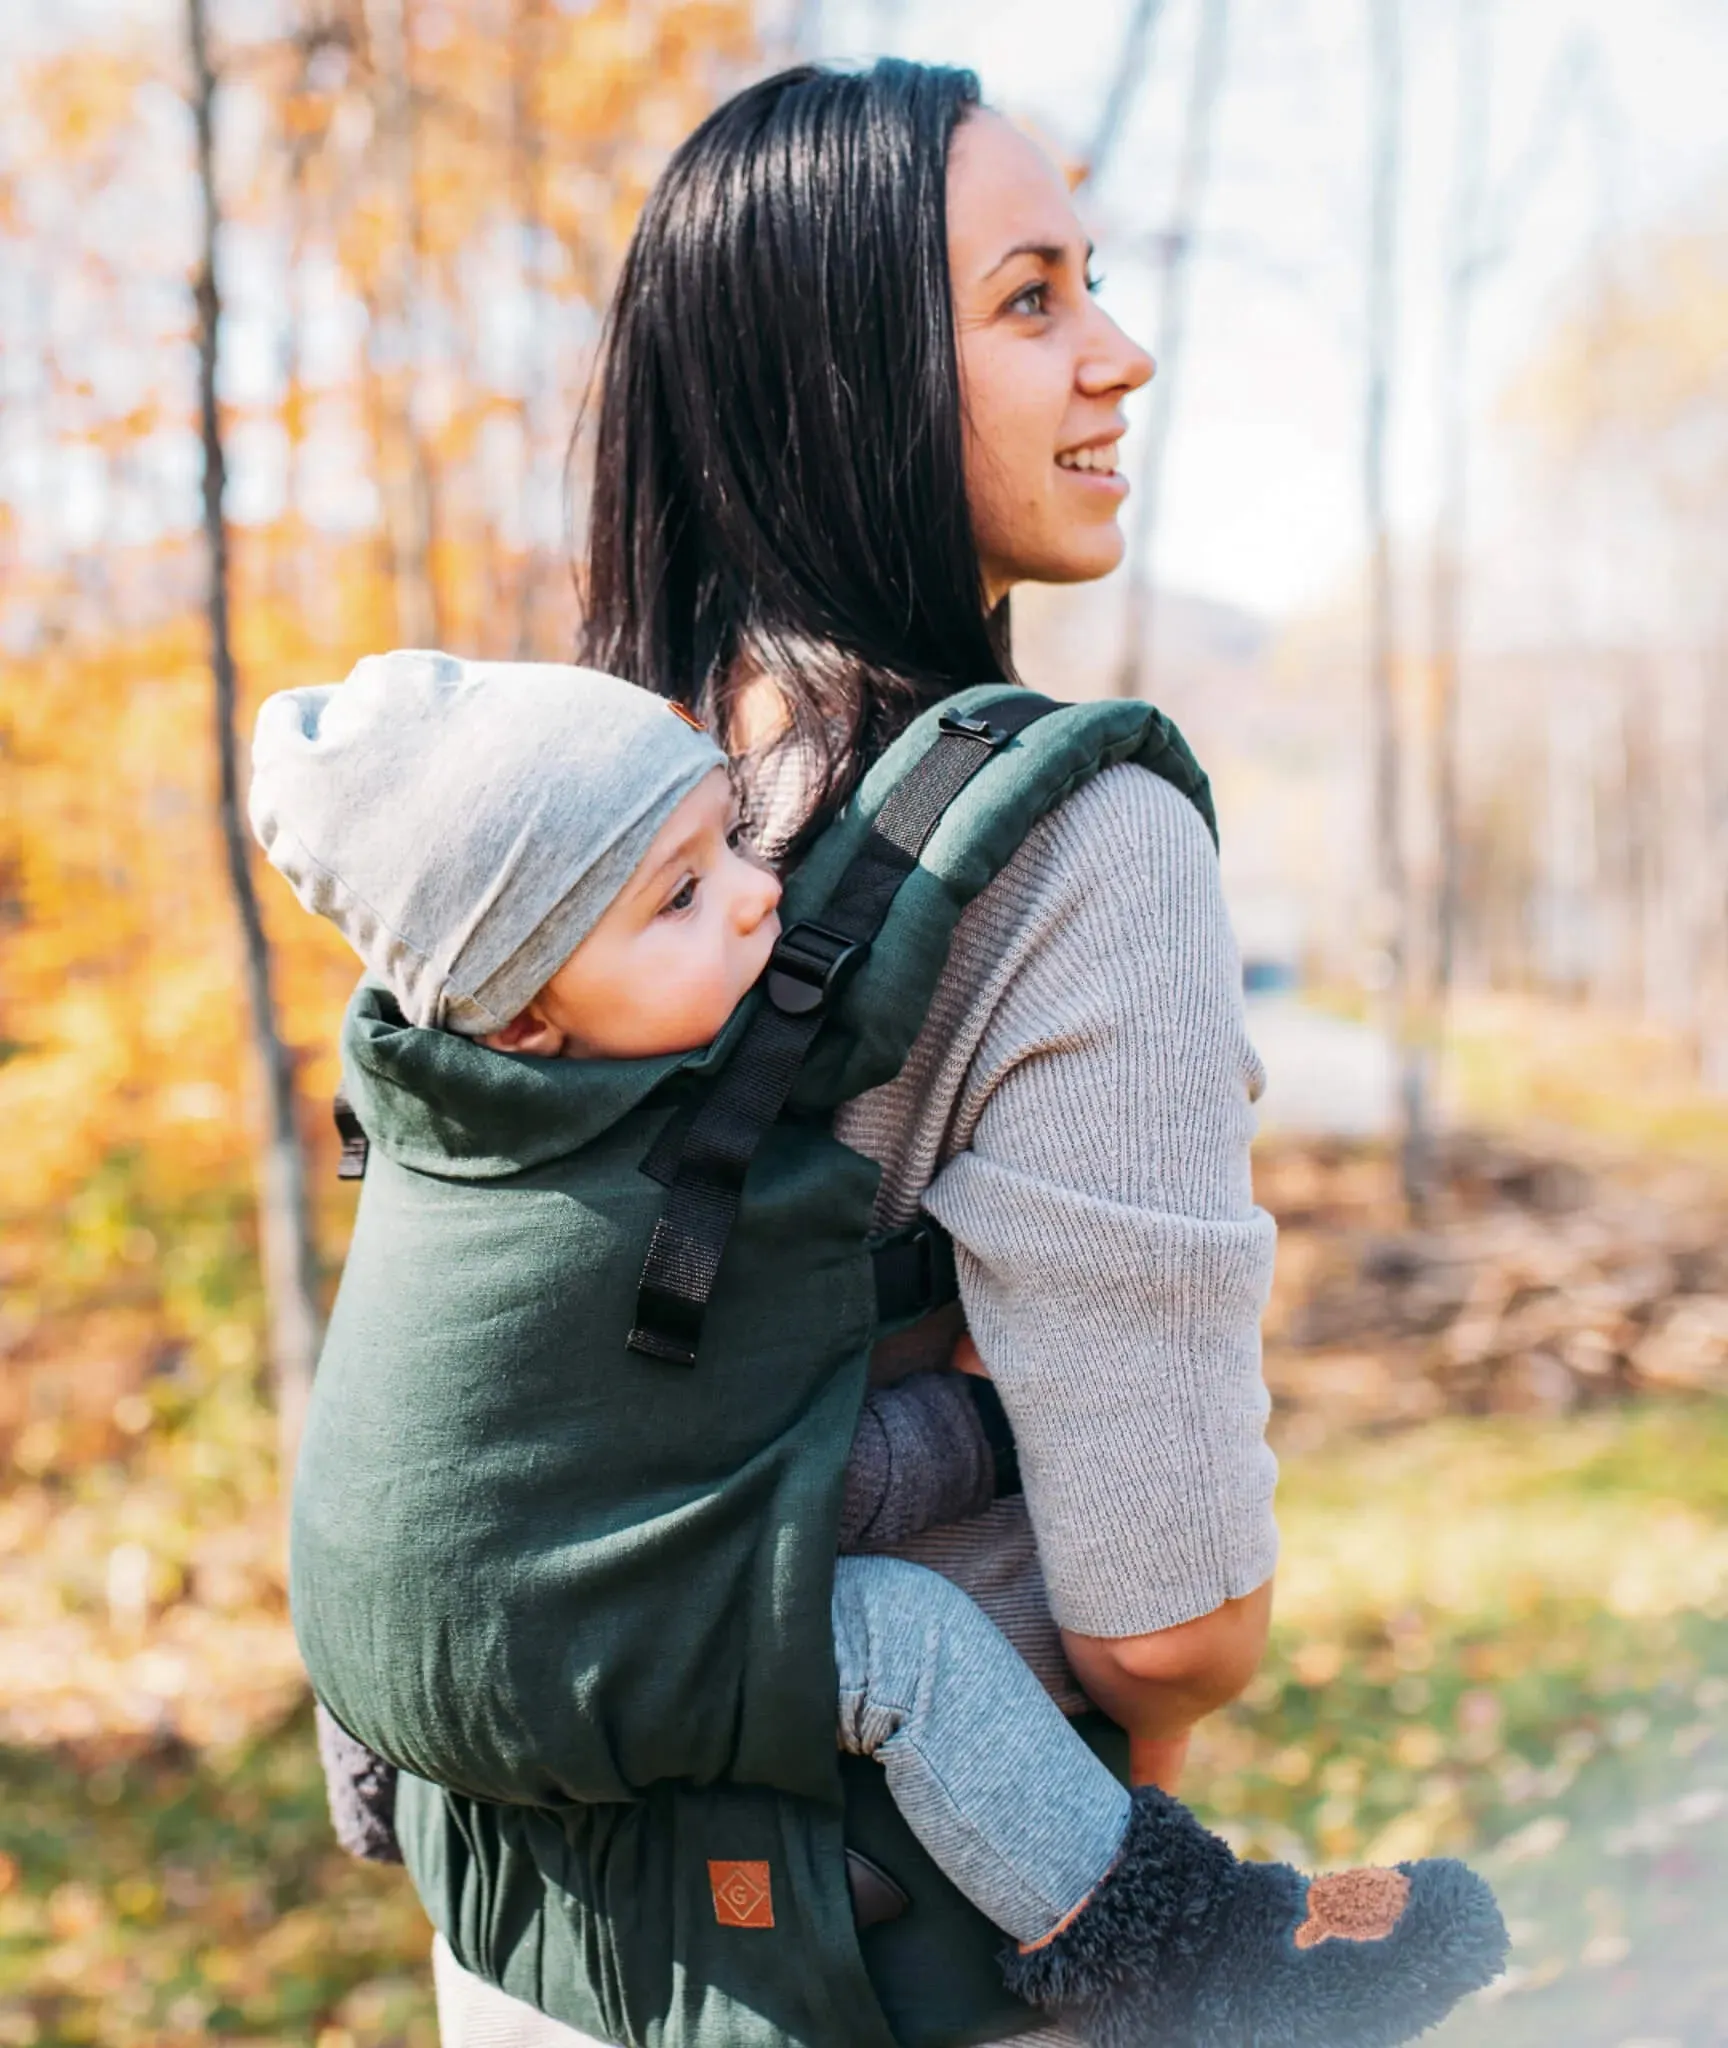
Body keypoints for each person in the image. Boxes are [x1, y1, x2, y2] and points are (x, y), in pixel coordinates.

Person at [312, 59, 1502, 2048]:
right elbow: (1168, 1621)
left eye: (1090, 280)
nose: (1118, 352)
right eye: (1030, 298)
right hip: (892, 1952)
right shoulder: (1077, 846)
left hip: (529, 1946)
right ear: (834, 378)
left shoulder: (576, 817)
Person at [253, 652, 1502, 2047]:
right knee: (896, 1647)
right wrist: (980, 1434)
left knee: (379, 1522)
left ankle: (377, 1797)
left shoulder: (433, 1128)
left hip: (406, 1701)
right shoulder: (608, 1223)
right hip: (548, 1647)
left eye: (729, 832)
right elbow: (752, 1502)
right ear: (525, 1011)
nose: (754, 892)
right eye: (679, 896)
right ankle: (1191, 1952)